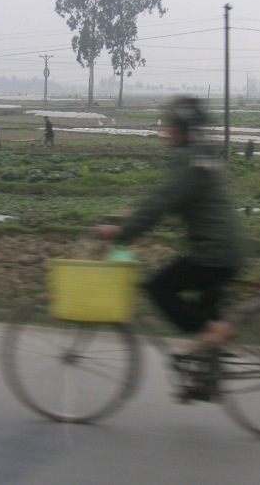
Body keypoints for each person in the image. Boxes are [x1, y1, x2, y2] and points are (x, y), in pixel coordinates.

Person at [94, 96, 248, 349]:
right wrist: (137, 212)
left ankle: (214, 332)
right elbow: (174, 198)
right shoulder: (203, 155)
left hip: (214, 254)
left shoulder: (189, 160)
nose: (164, 130)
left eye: (169, 125)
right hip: (228, 250)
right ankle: (207, 375)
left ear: (182, 129)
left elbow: (163, 201)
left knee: (159, 287)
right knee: (205, 321)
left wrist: (122, 232)